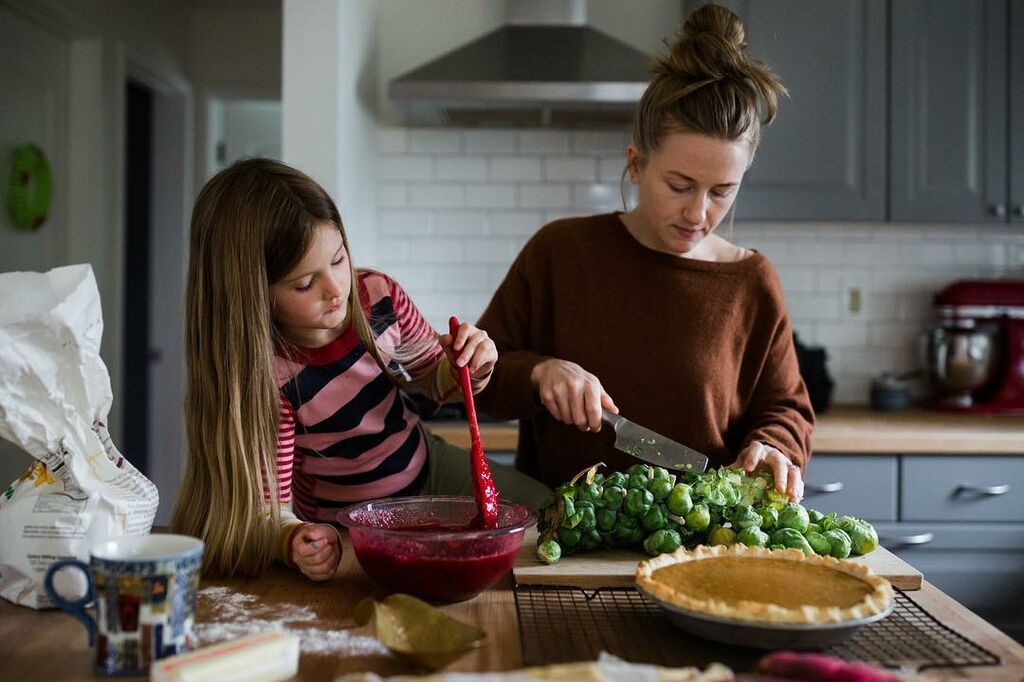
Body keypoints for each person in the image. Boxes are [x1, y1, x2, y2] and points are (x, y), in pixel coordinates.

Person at [474, 3, 814, 501]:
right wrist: (539, 373)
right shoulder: (560, 252)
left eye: (722, 191)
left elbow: (786, 407)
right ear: (636, 164)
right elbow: (478, 376)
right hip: (562, 544)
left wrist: (773, 446)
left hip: (701, 549)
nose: (698, 213)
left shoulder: (751, 281)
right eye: (679, 185)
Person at [171, 158, 550, 580]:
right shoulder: (270, 377)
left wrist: (470, 366)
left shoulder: (378, 296)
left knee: (548, 516)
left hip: (429, 468)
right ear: (252, 294)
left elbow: (435, 382)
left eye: (338, 260)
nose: (336, 289)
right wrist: (295, 540)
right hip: (350, 524)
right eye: (304, 284)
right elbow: (271, 511)